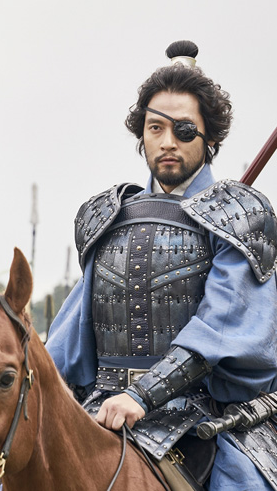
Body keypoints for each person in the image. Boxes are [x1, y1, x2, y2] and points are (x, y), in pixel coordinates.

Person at [46, 40, 277, 490]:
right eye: (156, 128)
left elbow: (222, 331)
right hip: (103, 410)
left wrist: (141, 395)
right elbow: (68, 342)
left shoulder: (241, 217)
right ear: (142, 135)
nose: (168, 142)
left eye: (184, 130)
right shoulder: (107, 217)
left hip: (209, 419)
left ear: (210, 138)